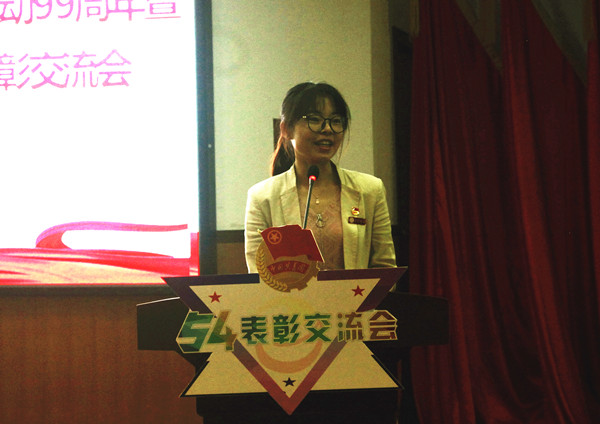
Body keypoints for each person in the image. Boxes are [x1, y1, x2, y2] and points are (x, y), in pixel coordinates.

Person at [244, 82, 396, 273]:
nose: (328, 129)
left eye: (336, 121)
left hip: (356, 294)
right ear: (286, 129)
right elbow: (259, 275)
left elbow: (385, 268)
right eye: (314, 119)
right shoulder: (262, 197)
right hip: (289, 294)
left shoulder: (370, 190)